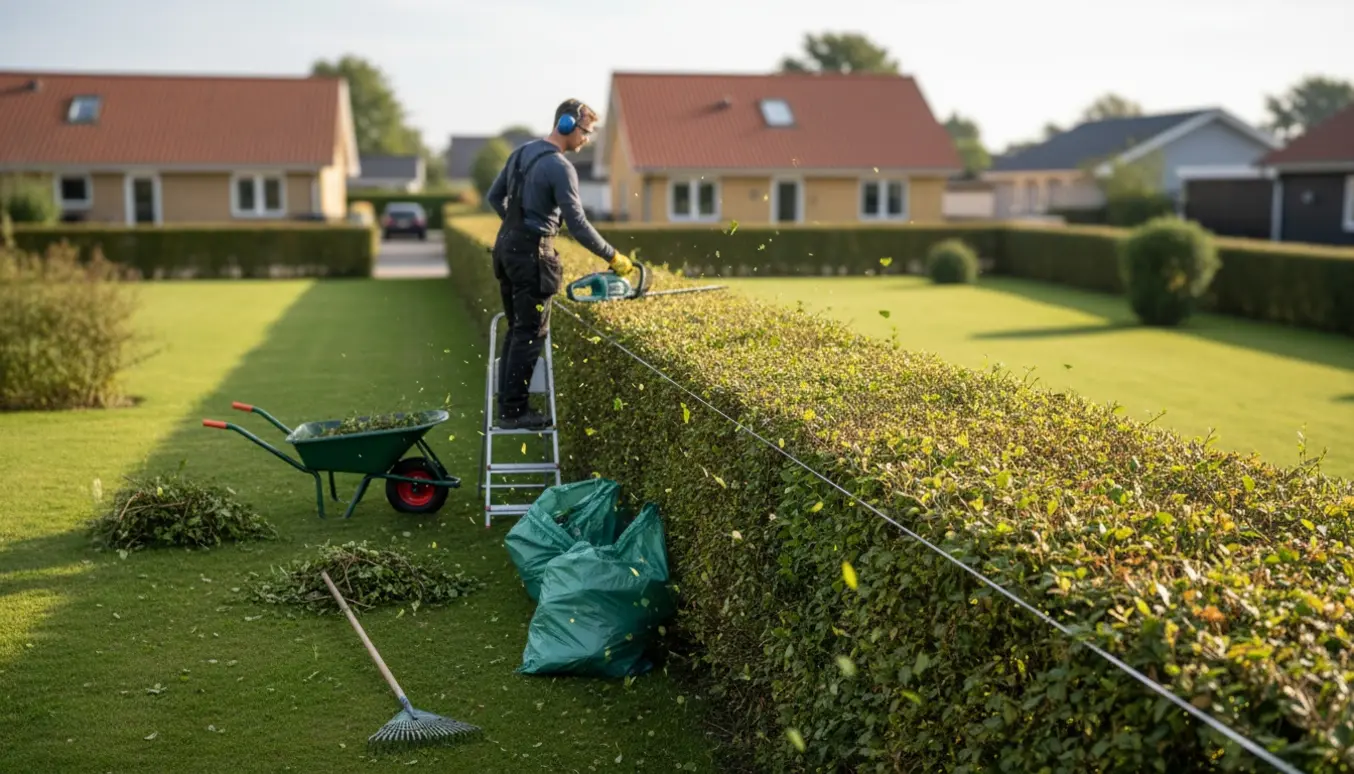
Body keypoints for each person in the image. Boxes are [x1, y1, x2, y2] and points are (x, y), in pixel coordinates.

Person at [485, 98, 633, 430]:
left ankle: (508, 407)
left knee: (518, 328)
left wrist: (514, 225)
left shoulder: (521, 153)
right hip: (532, 255)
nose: (587, 138)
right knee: (531, 332)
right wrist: (612, 255)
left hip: (506, 248)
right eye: (586, 131)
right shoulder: (560, 167)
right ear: (566, 124)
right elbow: (577, 224)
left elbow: (495, 197)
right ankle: (513, 412)